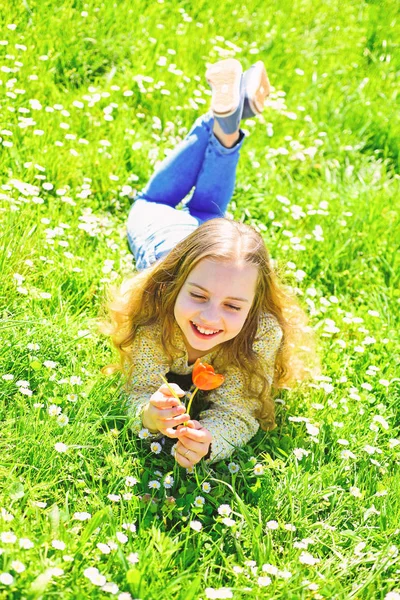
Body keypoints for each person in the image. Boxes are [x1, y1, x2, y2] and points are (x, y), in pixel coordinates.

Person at [103, 59, 315, 468]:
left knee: (208, 208)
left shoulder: (260, 332)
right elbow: (137, 388)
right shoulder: (158, 310)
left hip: (210, 248)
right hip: (166, 238)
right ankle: (222, 123)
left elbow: (240, 411)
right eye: (197, 296)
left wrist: (210, 440)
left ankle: (225, 123)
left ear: (254, 306)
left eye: (233, 306)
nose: (210, 316)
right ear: (173, 287)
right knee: (152, 203)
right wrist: (146, 415)